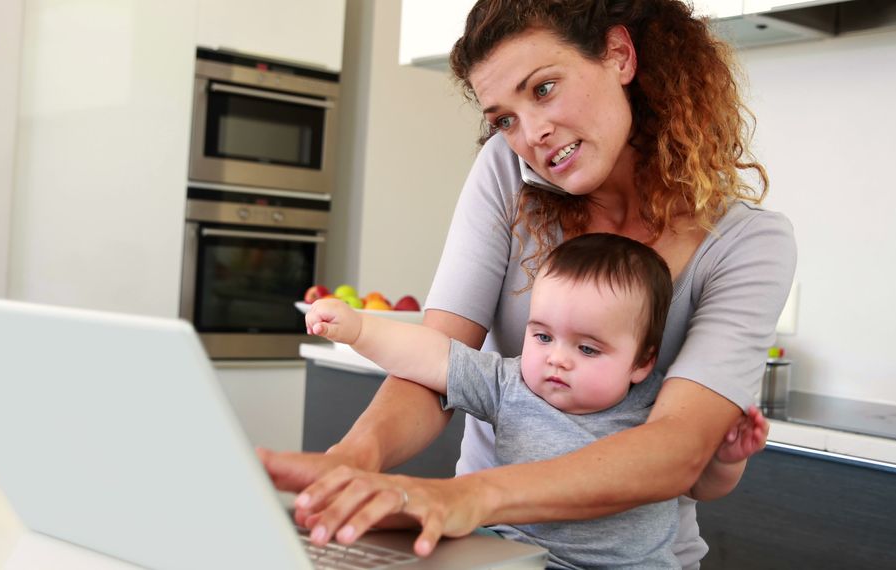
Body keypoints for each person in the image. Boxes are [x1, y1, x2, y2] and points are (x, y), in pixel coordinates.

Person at [259, 0, 796, 566]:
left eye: (543, 89)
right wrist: (353, 458)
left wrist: (470, 496)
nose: (532, 134)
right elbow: (438, 363)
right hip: (491, 547)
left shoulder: (747, 246)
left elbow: (679, 449)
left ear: (619, 55)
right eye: (504, 118)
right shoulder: (505, 173)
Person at [303, 233, 768, 568]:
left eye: (587, 348)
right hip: (511, 558)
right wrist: (362, 330)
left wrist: (726, 459)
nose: (556, 360)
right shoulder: (509, 382)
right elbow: (431, 356)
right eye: (542, 335)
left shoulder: (660, 407)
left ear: (642, 361)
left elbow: (700, 485)